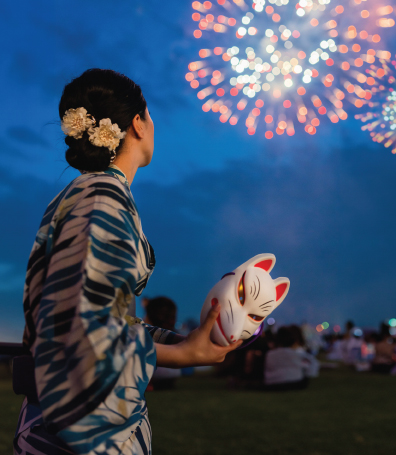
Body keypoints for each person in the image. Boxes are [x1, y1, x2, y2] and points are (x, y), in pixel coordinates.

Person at [14, 69, 242, 455]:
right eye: (150, 116)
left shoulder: (89, 193)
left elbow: (107, 318)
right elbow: (86, 331)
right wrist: (185, 356)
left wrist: (183, 340)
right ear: (137, 123)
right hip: (82, 428)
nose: (153, 126)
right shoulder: (102, 197)